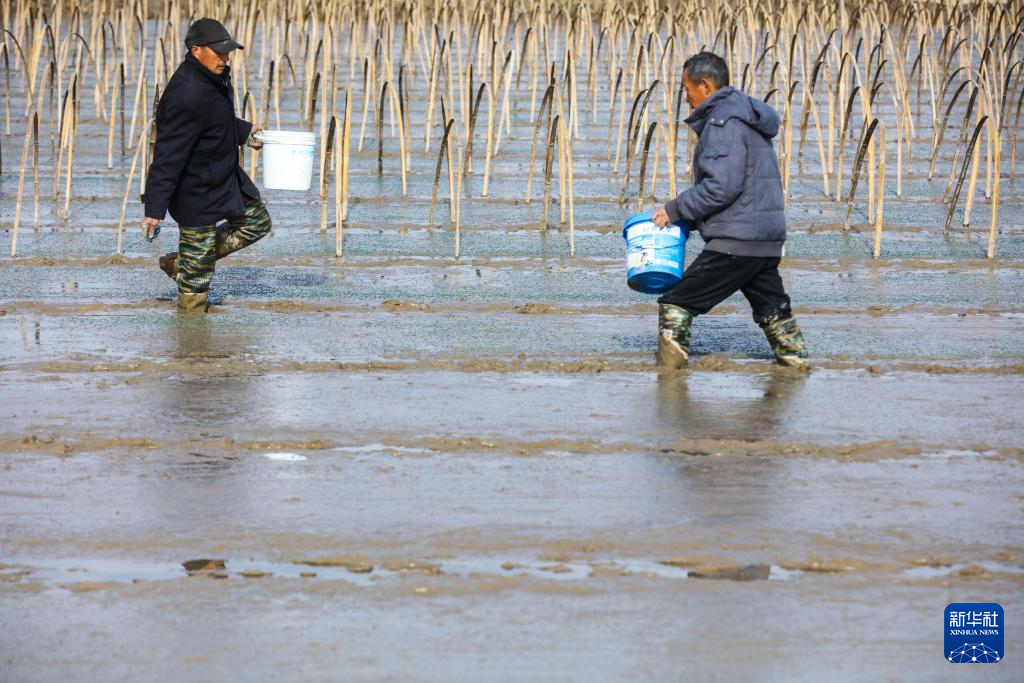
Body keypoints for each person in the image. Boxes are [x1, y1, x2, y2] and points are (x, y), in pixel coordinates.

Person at [650, 52, 809, 369]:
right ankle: (796, 370)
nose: (686, 98)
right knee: (772, 308)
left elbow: (721, 187)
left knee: (677, 302)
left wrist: (676, 210)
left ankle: (669, 384)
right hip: (763, 239)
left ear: (705, 85)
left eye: (686, 89)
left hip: (738, 240)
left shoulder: (724, 122)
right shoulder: (744, 117)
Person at [142, 18, 270, 312]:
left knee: (257, 223)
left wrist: (246, 133)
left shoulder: (212, 78)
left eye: (227, 53)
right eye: (219, 52)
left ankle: (185, 261)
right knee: (197, 284)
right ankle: (192, 338)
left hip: (224, 178)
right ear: (196, 50)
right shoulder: (185, 93)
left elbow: (215, 121)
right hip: (196, 190)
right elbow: (168, 155)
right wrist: (154, 207)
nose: (225, 59)